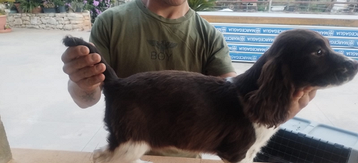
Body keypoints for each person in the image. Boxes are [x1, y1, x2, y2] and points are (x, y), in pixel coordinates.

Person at [61, 0, 316, 129]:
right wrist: (82, 82)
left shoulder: (209, 36)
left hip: (186, 158)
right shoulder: (111, 23)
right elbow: (87, 100)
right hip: (125, 154)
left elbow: (238, 107)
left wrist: (285, 106)